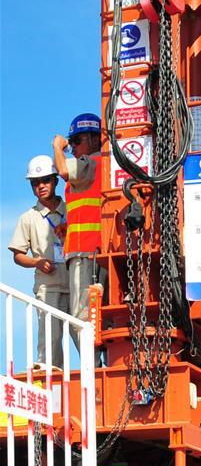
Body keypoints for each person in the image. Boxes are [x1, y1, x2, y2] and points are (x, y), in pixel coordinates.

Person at [8, 155, 69, 368]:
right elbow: (17, 255)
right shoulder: (28, 218)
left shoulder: (72, 208)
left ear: (55, 181)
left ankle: (96, 377)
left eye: (45, 180)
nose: (40, 186)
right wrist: (36, 262)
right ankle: (52, 381)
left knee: (87, 337)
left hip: (77, 283)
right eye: (35, 182)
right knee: (50, 344)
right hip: (48, 288)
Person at [52, 113, 105, 355]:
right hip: (91, 250)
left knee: (81, 318)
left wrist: (58, 147)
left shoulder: (91, 162)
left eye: (76, 140)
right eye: (70, 142)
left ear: (95, 139)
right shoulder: (100, 165)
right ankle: (96, 364)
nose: (72, 146)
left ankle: (91, 368)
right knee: (96, 316)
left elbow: (64, 170)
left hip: (86, 252)